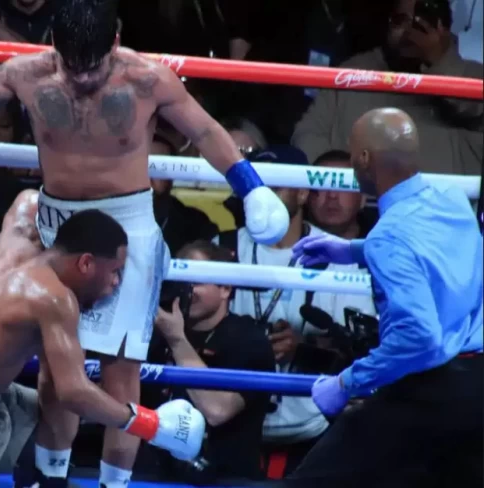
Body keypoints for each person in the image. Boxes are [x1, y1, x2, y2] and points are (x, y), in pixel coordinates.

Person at [0, 0, 289, 485]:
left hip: (127, 231)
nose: (81, 77)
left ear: (115, 42)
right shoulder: (25, 73)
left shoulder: (148, 80)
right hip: (58, 229)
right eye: (71, 64)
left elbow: (204, 129)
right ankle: (51, 479)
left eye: (92, 65)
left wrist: (250, 186)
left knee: (121, 372)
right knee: (56, 370)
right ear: (53, 44)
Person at [0, 189, 206, 488]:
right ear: (85, 262)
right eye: (114, 271)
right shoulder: (53, 299)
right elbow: (74, 392)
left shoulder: (18, 239)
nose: (115, 283)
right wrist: (151, 424)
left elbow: (29, 199)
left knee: (57, 411)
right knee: (76, 401)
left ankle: (42, 479)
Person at [281, 108, 483, 488]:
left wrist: (346, 383)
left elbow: (419, 338)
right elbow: (432, 252)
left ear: (363, 159)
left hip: (435, 386)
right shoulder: (451, 198)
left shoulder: (388, 236)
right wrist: (352, 250)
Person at [214, 146, 376, 479]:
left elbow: (364, 345)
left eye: (274, 186)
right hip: (230, 420)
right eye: (253, 186)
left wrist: (305, 346)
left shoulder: (338, 255)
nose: (262, 196)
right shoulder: (222, 247)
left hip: (313, 426)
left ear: (303, 193)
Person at [292, 0, 484, 176]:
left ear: (444, 29)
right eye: (400, 20)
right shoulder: (353, 72)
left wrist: (438, 61)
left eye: (421, 21)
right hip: (360, 199)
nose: (409, 31)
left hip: (442, 200)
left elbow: (470, 107)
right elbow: (307, 134)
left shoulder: (473, 76)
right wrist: (342, 180)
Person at [141, 240, 275, 485]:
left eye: (196, 282)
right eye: (181, 282)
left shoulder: (249, 340)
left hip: (224, 479)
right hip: (155, 475)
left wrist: (177, 340)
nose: (187, 290)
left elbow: (218, 411)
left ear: (225, 288)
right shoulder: (155, 334)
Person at [306, 150, 372, 239]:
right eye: (322, 184)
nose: (332, 195)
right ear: (306, 194)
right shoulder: (291, 240)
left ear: (363, 198)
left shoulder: (382, 240)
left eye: (343, 185)